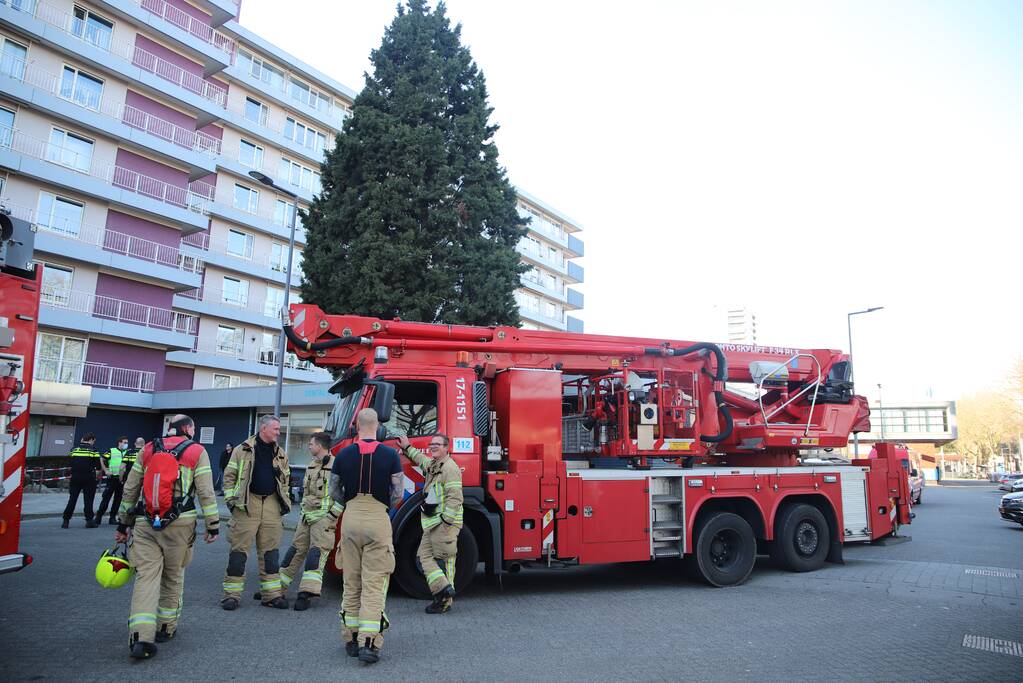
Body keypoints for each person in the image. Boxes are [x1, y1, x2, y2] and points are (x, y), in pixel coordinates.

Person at [115, 415, 219, 660]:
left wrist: (123, 524)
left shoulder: (149, 449)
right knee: (173, 575)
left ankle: (140, 637)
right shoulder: (196, 451)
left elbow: (131, 488)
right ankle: (165, 627)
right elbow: (205, 491)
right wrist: (213, 525)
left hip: (146, 521)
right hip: (181, 522)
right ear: (188, 429)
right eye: (193, 427)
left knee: (146, 579)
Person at [331, 408, 403, 664]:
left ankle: (349, 638)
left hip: (350, 519)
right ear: (377, 426)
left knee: (351, 581)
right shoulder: (390, 454)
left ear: (357, 426)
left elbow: (334, 491)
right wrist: (382, 505)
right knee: (373, 584)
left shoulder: (343, 454)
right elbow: (397, 493)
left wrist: (352, 503)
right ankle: (369, 644)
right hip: (377, 519)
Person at [221, 416, 291, 610]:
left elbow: (286, 480)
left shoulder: (280, 453)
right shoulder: (241, 450)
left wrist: (283, 502)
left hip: (271, 504)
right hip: (247, 504)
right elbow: (229, 477)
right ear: (263, 428)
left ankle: (271, 595)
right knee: (239, 553)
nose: (278, 432)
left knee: (270, 554)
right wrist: (232, 503)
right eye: (275, 429)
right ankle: (231, 596)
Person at [398, 433, 463, 614]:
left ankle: (443, 602)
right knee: (424, 557)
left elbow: (455, 498)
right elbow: (422, 460)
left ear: (446, 447)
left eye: (437, 444)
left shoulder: (450, 468)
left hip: (443, 524)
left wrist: (446, 522)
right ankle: (443, 588)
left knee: (444, 559)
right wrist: (407, 447)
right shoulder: (435, 465)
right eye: (432, 444)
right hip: (432, 523)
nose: (433, 446)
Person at [279, 432, 342, 611]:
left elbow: (343, 494)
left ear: (320, 446)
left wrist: (332, 517)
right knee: (294, 551)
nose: (309, 446)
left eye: (311, 443)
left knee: (316, 555)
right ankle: (277, 590)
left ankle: (305, 594)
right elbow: (307, 494)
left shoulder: (336, 465)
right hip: (306, 517)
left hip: (323, 520)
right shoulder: (312, 465)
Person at [62, 433, 102, 529]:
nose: (93, 443)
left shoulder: (74, 449)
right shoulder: (94, 450)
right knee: (88, 500)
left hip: (75, 477)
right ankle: (89, 521)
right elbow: (98, 466)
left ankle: (66, 521)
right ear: (91, 440)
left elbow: (69, 463)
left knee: (72, 499)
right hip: (89, 477)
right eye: (94, 441)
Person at [94, 436, 130, 525]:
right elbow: (102, 459)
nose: (126, 444)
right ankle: (98, 516)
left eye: (127, 442)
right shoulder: (112, 451)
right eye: (125, 442)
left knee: (118, 499)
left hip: (122, 479)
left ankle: (112, 517)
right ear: (119, 443)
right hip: (112, 478)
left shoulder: (128, 452)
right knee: (106, 498)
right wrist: (105, 470)